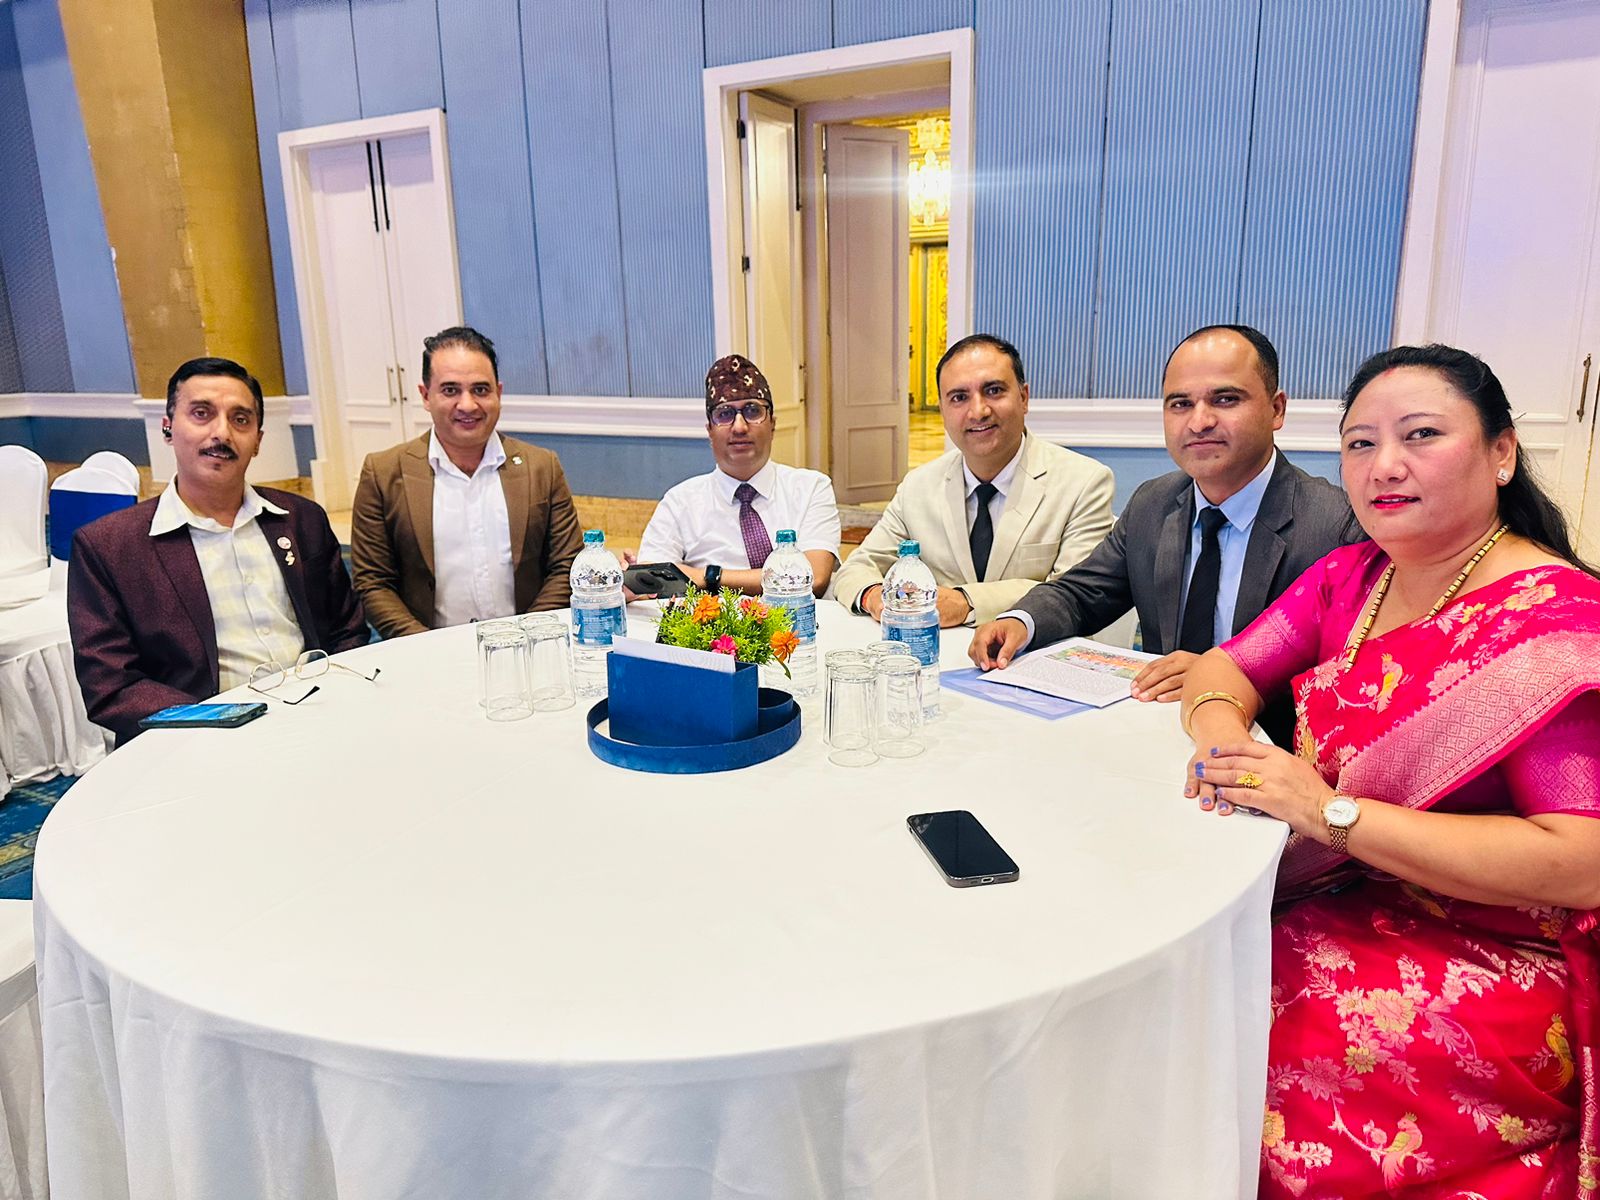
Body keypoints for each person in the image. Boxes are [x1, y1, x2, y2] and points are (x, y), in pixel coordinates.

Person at [1181, 344, 1600, 1197]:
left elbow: (1581, 862)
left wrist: (1330, 814)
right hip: (1336, 890)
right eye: (1360, 443)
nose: (1385, 466)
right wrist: (1227, 748)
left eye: (1421, 435)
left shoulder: (1554, 626)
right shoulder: (1353, 578)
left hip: (1493, 946)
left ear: (1502, 452)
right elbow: (1223, 669)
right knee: (1181, 973)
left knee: (1240, 1035)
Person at [970, 324, 1364, 742]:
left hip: (1265, 752)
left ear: (1276, 409)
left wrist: (1223, 677)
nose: (1199, 421)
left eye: (1225, 399)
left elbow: (1348, 680)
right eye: (1180, 404)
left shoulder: (1336, 527)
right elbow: (1083, 594)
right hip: (1159, 736)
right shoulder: (1153, 504)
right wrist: (1020, 621)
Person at [69, 356, 368, 744]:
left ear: (258, 440)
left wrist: (334, 703)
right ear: (167, 428)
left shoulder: (301, 519)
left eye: (240, 419)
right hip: (197, 738)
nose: (222, 433)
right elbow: (111, 685)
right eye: (201, 414)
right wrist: (228, 721)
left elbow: (348, 629)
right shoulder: (109, 547)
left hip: (319, 719)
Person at [832, 334, 1115, 627]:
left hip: (1037, 650)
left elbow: (1074, 593)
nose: (978, 411)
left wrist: (966, 602)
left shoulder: (1084, 483)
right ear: (943, 410)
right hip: (939, 651)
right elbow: (856, 568)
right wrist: (875, 596)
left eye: (993, 391)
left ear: (1024, 398)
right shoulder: (918, 486)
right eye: (959, 397)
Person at [350, 326, 583, 638]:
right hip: (426, 655)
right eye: (450, 390)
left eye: (481, 390)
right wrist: (425, 646)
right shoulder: (383, 473)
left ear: (499, 392)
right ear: (425, 396)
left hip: (529, 649)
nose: (468, 405)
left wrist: (525, 638)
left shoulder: (542, 467)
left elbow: (566, 565)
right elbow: (372, 582)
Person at [636, 354, 840, 596]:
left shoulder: (811, 488)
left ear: (772, 424)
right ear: (710, 431)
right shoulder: (680, 502)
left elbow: (814, 577)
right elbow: (653, 580)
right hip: (711, 621)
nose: (740, 427)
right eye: (724, 414)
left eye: (753, 411)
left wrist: (707, 577)